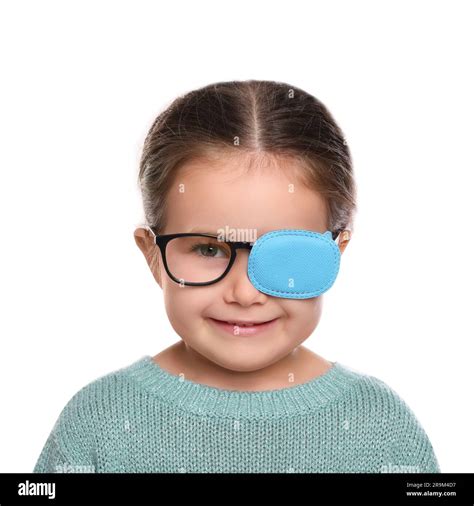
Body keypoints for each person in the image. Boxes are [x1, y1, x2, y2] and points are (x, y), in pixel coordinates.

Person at [33, 79, 440, 473]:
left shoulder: (382, 428)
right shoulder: (96, 425)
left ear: (334, 255)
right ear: (152, 254)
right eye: (209, 249)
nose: (245, 293)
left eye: (286, 252)